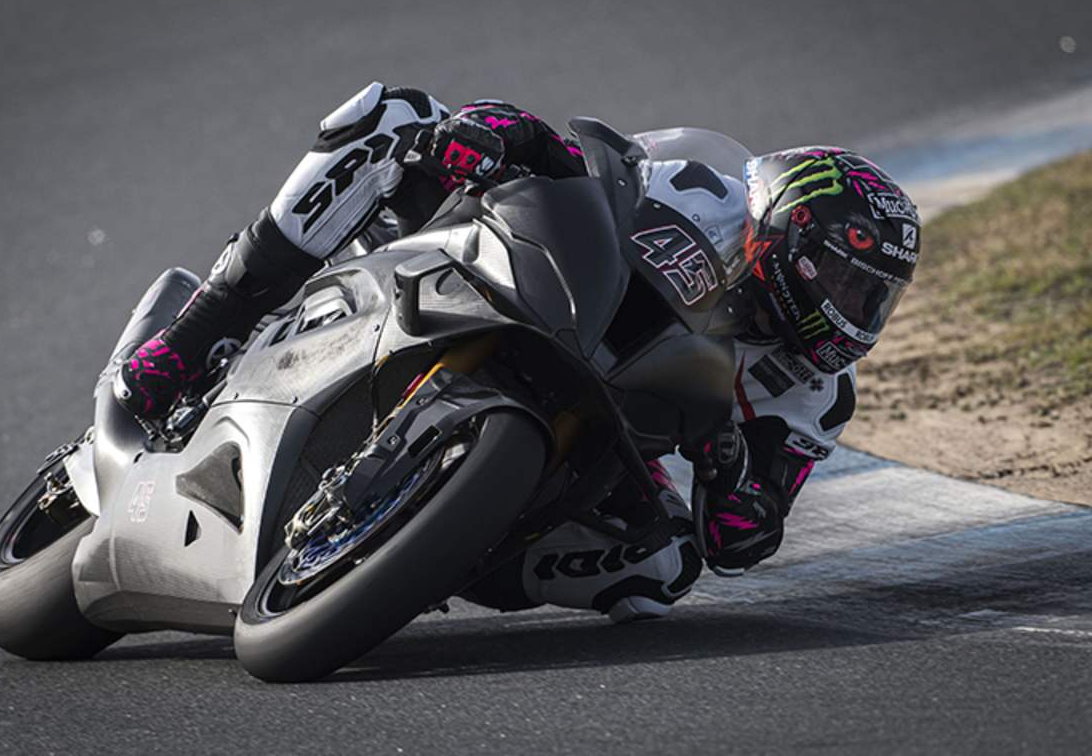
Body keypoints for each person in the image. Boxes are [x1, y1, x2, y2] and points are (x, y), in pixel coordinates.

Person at [114, 81, 919, 622]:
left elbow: (746, 538)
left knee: (663, 569)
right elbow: (593, 171)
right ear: (790, 237)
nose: (856, 313)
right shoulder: (704, 193)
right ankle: (196, 337)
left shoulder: (818, 390)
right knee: (394, 113)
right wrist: (503, 133)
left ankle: (441, 550)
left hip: (609, 436)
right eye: (850, 284)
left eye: (875, 296)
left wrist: (722, 451)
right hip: (516, 279)